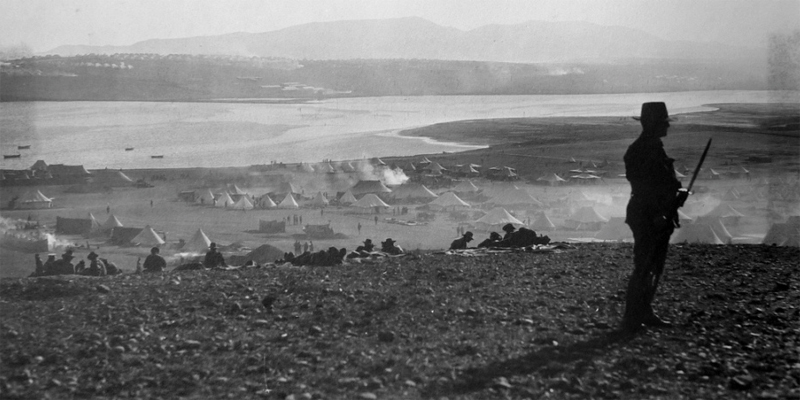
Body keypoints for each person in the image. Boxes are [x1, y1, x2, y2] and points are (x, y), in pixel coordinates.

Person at [622, 102, 689, 331]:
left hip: (657, 213)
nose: (667, 128)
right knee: (644, 265)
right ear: (652, 124)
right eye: (663, 123)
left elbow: (662, 182)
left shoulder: (653, 147)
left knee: (654, 266)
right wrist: (660, 212)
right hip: (648, 214)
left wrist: (676, 194)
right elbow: (645, 188)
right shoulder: (641, 150)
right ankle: (632, 317)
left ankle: (645, 311)